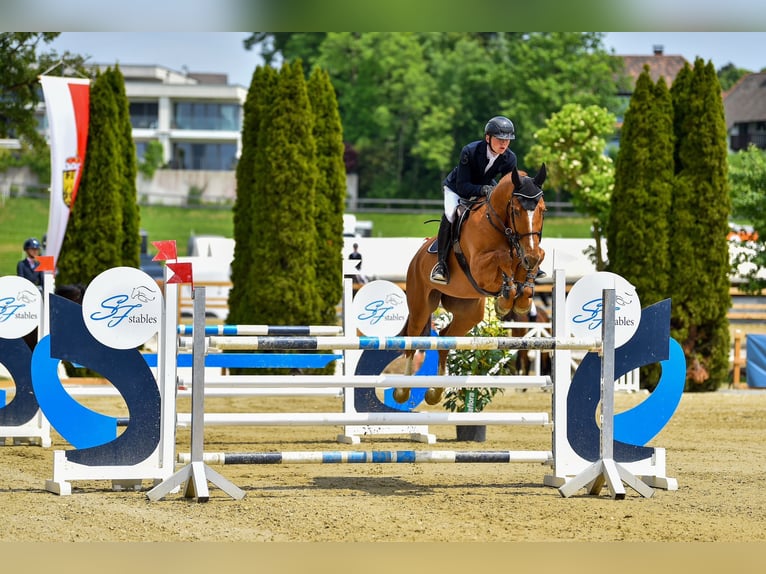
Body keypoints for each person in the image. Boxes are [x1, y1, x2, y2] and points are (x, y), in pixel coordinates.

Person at [431, 116, 518, 285]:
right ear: (488, 138)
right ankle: (441, 264)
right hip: (457, 188)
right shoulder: (469, 151)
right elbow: (463, 186)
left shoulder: (509, 158)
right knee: (451, 215)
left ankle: (521, 258)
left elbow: (507, 185)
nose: (504, 144)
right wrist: (484, 189)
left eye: (507, 140)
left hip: (485, 186)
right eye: (500, 139)